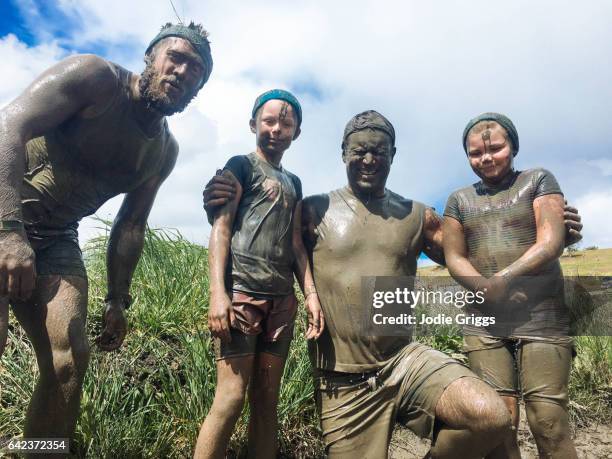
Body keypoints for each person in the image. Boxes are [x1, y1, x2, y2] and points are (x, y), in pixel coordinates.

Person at [202, 110, 583, 458]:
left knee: (491, 416)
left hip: (406, 362)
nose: (369, 160)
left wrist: (546, 233)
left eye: (379, 152)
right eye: (359, 151)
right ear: (343, 153)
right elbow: (263, 230)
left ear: (394, 154)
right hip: (343, 385)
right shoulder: (314, 209)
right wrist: (219, 201)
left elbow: (470, 254)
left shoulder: (416, 215)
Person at [0, 22, 213, 444]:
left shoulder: (162, 153)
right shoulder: (95, 78)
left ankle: (40, 454)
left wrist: (117, 298)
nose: (182, 73)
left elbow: (131, 224)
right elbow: (9, 126)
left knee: (69, 363)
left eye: (196, 72)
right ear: (151, 57)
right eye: (177, 58)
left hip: (57, 237)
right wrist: (7, 231)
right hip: (6, 211)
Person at [194, 90, 324, 459]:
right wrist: (218, 293)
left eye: (286, 123)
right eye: (269, 121)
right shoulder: (241, 166)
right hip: (242, 296)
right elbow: (221, 229)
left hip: (281, 302)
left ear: (296, 132)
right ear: (253, 124)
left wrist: (310, 294)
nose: (277, 128)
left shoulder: (294, 183)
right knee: (231, 397)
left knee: (267, 400)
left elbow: (297, 245)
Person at [443, 113, 578, 459]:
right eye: (475, 154)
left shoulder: (538, 180)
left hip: (542, 314)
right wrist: (484, 288)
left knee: (547, 419)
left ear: (513, 146)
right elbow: (454, 256)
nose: (486, 158)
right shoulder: (459, 200)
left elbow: (550, 242)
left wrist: (504, 279)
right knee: (498, 422)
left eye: (496, 148)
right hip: (484, 318)